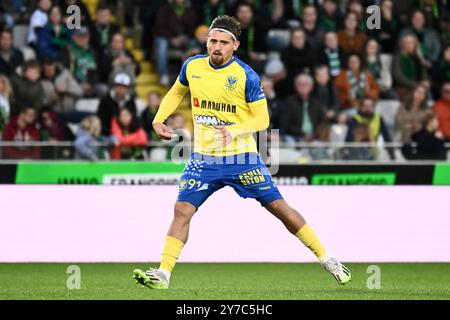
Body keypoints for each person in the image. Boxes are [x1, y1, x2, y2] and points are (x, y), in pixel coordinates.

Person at [132, 15, 351, 290]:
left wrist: (234, 131)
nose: (217, 47)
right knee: (181, 210)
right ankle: (163, 273)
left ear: (235, 45)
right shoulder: (192, 66)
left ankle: (327, 259)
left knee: (279, 209)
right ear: (206, 41)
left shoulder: (246, 75)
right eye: (213, 41)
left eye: (224, 42)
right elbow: (177, 92)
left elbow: (263, 120)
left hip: (242, 158)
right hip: (204, 158)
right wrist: (158, 119)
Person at [283, 73, 326, 142]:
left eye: (306, 84)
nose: (303, 87)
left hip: (314, 138)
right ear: (295, 86)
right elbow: (286, 124)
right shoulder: (289, 102)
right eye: (300, 84)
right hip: (295, 137)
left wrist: (314, 135)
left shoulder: (317, 103)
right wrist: (303, 135)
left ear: (311, 87)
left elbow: (322, 122)